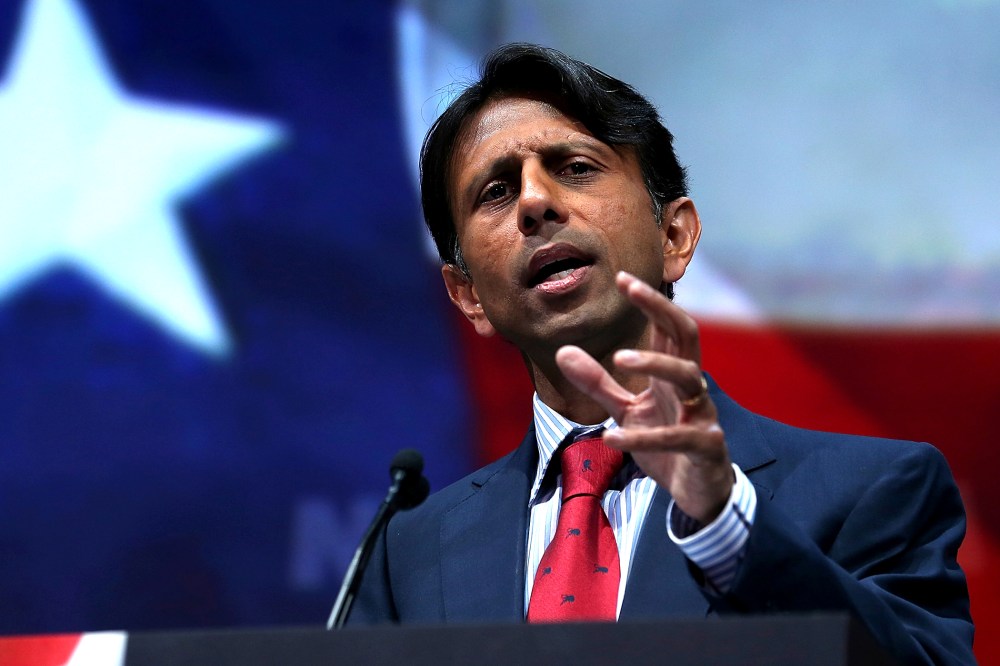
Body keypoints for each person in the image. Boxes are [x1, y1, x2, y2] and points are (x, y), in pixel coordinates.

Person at [349, 43, 974, 663]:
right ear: (468, 298)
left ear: (673, 235)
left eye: (574, 167)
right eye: (495, 191)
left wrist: (723, 521)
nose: (535, 203)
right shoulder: (409, 551)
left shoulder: (872, 491)